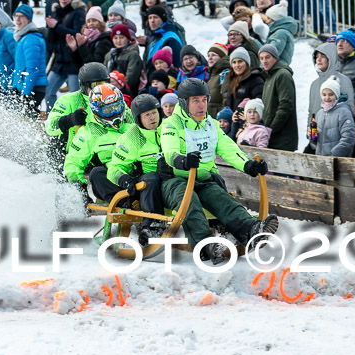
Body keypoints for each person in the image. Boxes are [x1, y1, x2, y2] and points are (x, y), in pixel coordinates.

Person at [160, 78, 279, 265]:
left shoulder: (210, 124)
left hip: (203, 178)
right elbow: (169, 151)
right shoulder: (171, 124)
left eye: (204, 100)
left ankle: (251, 230)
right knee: (189, 201)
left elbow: (228, 148)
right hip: (175, 180)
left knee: (221, 198)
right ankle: (206, 245)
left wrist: (248, 165)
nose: (202, 105)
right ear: (184, 103)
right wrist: (181, 160)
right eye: (196, 101)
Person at [106, 94, 169, 244]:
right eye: (146, 115)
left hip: (171, 177)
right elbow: (114, 168)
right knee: (151, 179)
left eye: (154, 112)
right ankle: (152, 226)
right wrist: (125, 180)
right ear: (138, 119)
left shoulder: (170, 128)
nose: (152, 118)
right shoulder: (130, 138)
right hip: (147, 183)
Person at [65, 83, 133, 203]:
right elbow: (73, 163)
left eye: (116, 107)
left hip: (137, 173)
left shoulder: (133, 119)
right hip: (112, 181)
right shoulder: (89, 133)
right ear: (97, 111)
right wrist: (80, 190)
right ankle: (126, 203)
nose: (114, 113)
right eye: (108, 110)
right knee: (96, 174)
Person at [307, 41, 355, 152]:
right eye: (317, 57)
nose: (318, 60)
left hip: (336, 142)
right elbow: (311, 112)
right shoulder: (314, 84)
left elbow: (350, 109)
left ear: (331, 58)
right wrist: (310, 132)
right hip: (318, 140)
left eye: (323, 56)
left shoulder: (343, 80)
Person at [44, 0, 85, 111]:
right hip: (59, 61)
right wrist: (51, 28)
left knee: (75, 97)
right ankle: (52, 121)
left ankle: (76, 124)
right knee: (48, 91)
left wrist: (56, 26)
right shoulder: (56, 12)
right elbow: (51, 39)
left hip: (73, 62)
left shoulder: (78, 12)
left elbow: (77, 34)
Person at [258, 43, 297, 151]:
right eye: (261, 58)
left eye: (267, 57)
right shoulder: (268, 77)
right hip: (270, 136)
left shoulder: (282, 75)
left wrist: (271, 129)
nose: (264, 61)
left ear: (275, 57)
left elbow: (286, 105)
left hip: (282, 138)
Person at [11, 4, 47, 118]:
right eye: (16, 16)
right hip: (26, 87)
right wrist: (15, 83)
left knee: (29, 124)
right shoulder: (23, 37)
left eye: (21, 16)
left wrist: (26, 94)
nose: (18, 19)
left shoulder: (31, 39)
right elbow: (20, 66)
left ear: (29, 19)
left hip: (33, 89)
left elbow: (33, 69)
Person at [313, 77, 355, 157]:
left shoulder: (344, 112)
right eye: (324, 95)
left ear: (337, 95)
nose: (327, 98)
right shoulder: (320, 113)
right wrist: (313, 136)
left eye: (331, 94)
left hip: (337, 160)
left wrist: (333, 155)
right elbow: (316, 142)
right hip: (321, 159)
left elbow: (348, 139)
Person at [104, 24, 143, 95]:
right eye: (115, 38)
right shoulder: (109, 55)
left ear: (128, 39)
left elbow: (132, 76)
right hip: (109, 92)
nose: (118, 41)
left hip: (126, 92)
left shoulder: (132, 54)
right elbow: (104, 73)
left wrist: (121, 87)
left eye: (121, 37)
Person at [222, 47, 263, 111]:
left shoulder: (256, 80)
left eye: (240, 61)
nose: (237, 65)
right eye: (234, 62)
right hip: (233, 120)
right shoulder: (231, 80)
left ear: (246, 63)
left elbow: (259, 104)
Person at [142, 6, 182, 71]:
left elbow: (177, 65)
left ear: (163, 19)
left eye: (155, 17)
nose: (152, 21)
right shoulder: (154, 37)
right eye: (150, 18)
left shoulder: (170, 38)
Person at [206, 43, 230, 117]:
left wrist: (222, 118)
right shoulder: (212, 75)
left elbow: (226, 98)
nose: (210, 58)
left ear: (222, 57)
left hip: (218, 120)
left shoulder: (225, 74)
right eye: (208, 55)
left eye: (213, 55)